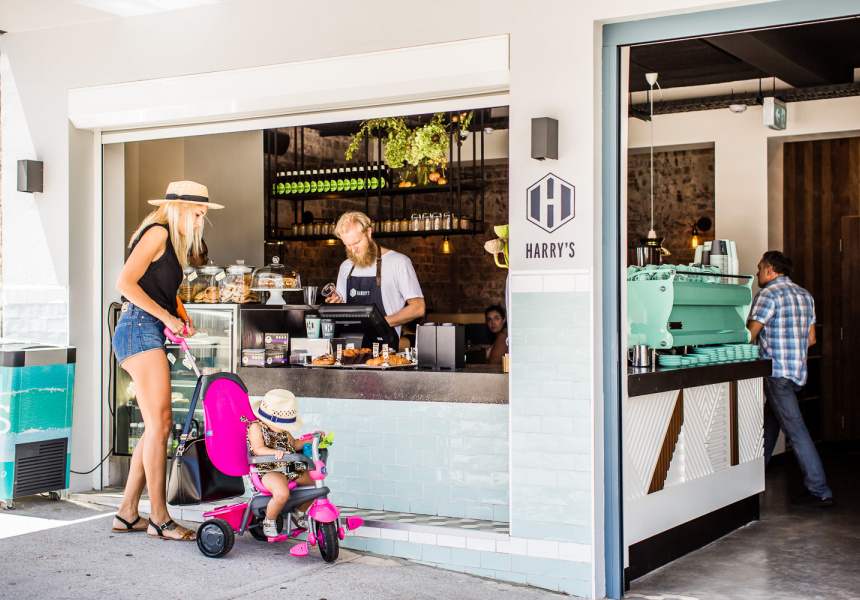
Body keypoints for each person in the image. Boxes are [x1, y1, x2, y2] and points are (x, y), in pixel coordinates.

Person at [111, 181, 223, 540]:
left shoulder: (171, 241)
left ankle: (128, 513)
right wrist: (165, 316)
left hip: (147, 329)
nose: (200, 221)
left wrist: (181, 316)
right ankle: (160, 518)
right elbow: (125, 283)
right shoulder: (158, 232)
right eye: (198, 214)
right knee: (161, 427)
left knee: (154, 427)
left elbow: (162, 290)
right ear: (180, 208)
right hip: (138, 328)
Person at [747, 251, 833, 507]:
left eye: (760, 268)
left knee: (796, 432)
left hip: (776, 373)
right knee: (770, 426)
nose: (757, 273)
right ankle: (750, 482)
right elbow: (812, 339)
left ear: (770, 270)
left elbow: (750, 334)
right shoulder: (805, 295)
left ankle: (820, 490)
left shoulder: (768, 294)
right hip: (796, 373)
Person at [325, 211, 425, 344]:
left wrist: (379, 324)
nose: (353, 250)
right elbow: (343, 311)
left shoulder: (398, 262)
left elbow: (418, 308)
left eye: (356, 242)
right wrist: (334, 306)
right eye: (348, 245)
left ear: (368, 232)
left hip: (385, 348)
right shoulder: (346, 267)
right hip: (351, 347)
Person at [246, 389, 315, 536]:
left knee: (313, 486)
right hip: (269, 470)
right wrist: (274, 452)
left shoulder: (283, 430)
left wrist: (311, 439)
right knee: (282, 493)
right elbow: (258, 449)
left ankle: (299, 512)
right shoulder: (256, 427)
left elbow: (294, 444)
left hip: (290, 468)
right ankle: (269, 521)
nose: (286, 427)